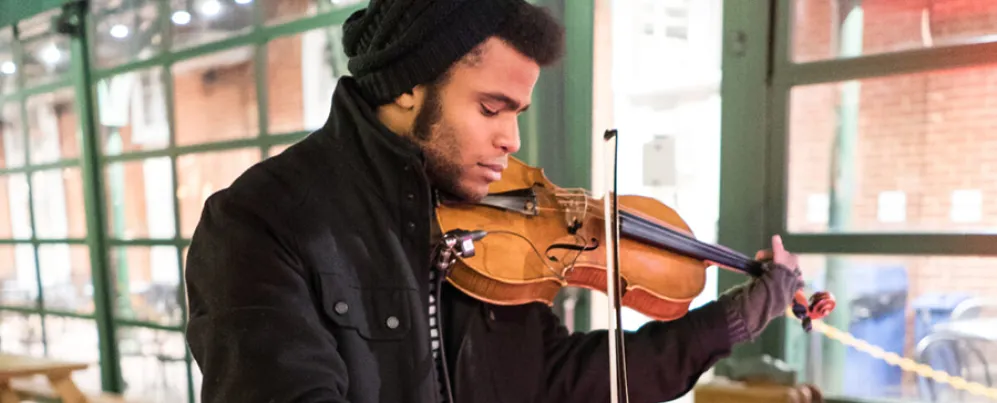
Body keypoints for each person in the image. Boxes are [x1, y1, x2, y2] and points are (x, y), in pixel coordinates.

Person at [183, 0, 806, 402]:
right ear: (407, 87)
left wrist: (734, 320)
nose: (510, 140)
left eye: (517, 114)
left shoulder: (495, 229)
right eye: (490, 108)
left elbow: (563, 379)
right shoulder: (259, 221)